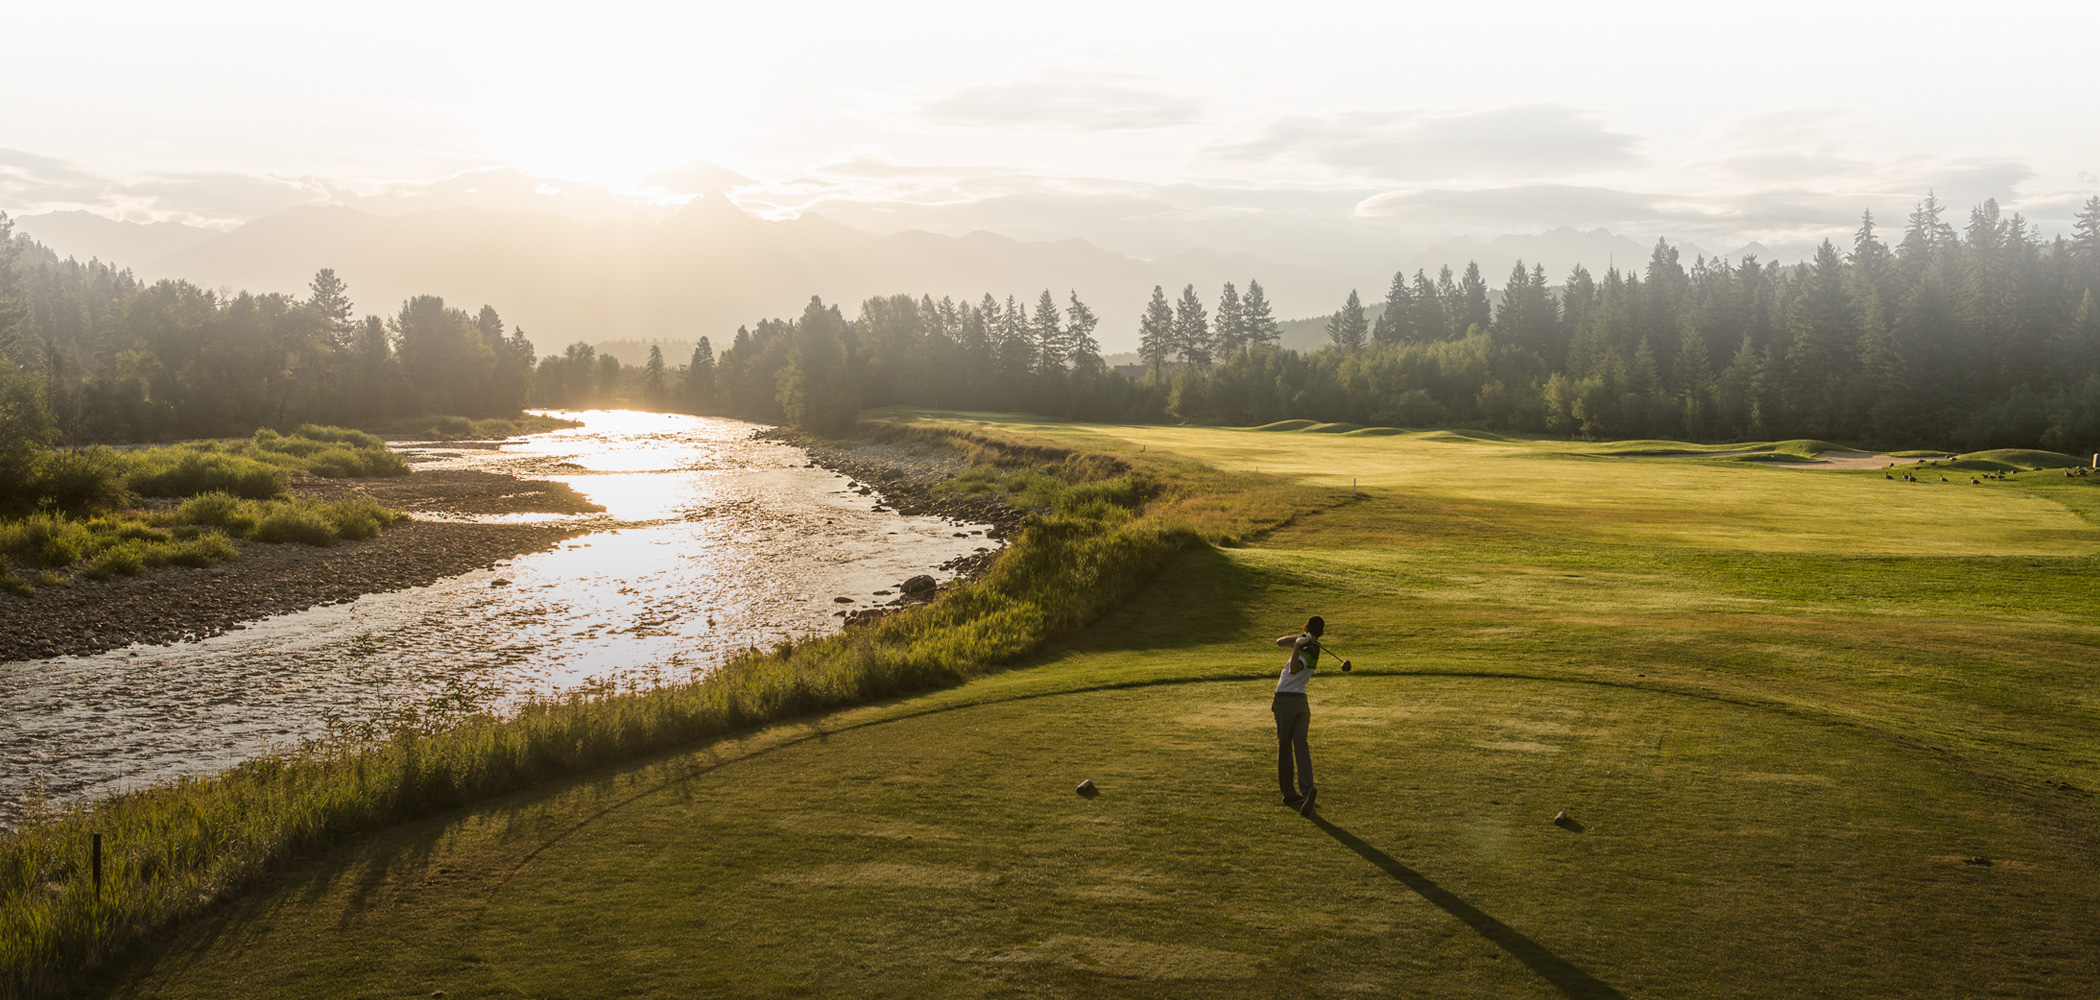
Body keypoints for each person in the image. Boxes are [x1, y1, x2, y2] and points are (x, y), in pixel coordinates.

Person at [1272, 615, 1324, 814]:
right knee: (1301, 746)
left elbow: (1293, 668)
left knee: (1285, 746)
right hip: (1301, 702)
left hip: (1286, 700)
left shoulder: (1310, 650)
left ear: (1306, 626)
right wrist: (1301, 638)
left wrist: (1298, 645)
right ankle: (1307, 789)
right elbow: (1279, 642)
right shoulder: (1309, 645)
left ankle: (1290, 793)